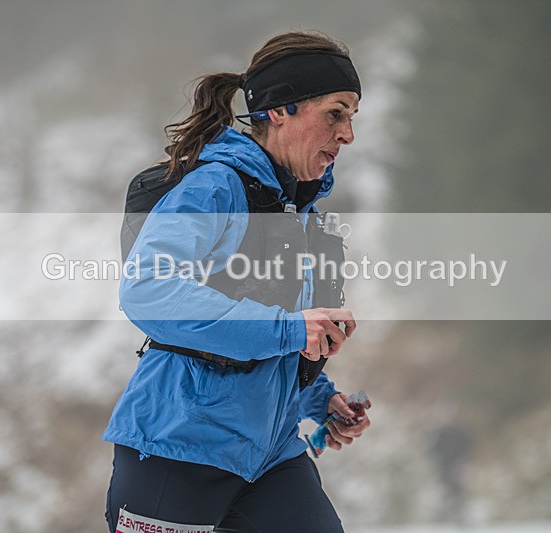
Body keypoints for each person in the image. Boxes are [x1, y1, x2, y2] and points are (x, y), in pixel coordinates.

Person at [103, 30, 370, 533]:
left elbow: (272, 333)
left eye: (352, 117)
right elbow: (148, 288)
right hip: (178, 447)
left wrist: (321, 399)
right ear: (279, 110)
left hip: (269, 457)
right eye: (335, 113)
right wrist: (293, 329)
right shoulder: (215, 185)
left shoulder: (300, 213)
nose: (347, 134)